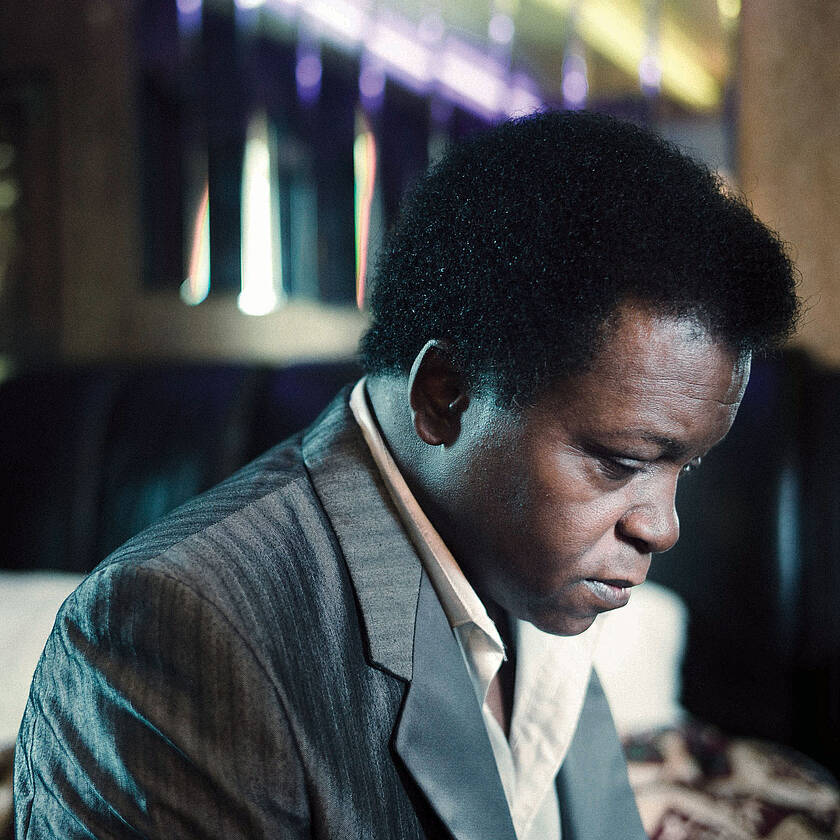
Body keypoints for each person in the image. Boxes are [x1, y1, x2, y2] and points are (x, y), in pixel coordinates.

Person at [14, 111, 798, 839]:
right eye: (621, 461)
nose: (662, 526)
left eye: (685, 464)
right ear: (444, 397)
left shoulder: (534, 578)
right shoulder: (175, 633)